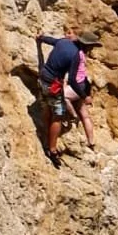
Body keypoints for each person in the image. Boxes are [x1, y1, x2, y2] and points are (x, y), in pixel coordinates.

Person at [36, 33, 95, 161]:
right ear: (86, 45)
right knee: (58, 116)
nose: (91, 49)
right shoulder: (76, 55)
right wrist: (84, 96)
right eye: (91, 47)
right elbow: (73, 80)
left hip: (42, 77)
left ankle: (45, 139)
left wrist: (40, 38)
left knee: (47, 110)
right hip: (53, 84)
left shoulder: (63, 41)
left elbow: (51, 40)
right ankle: (52, 150)